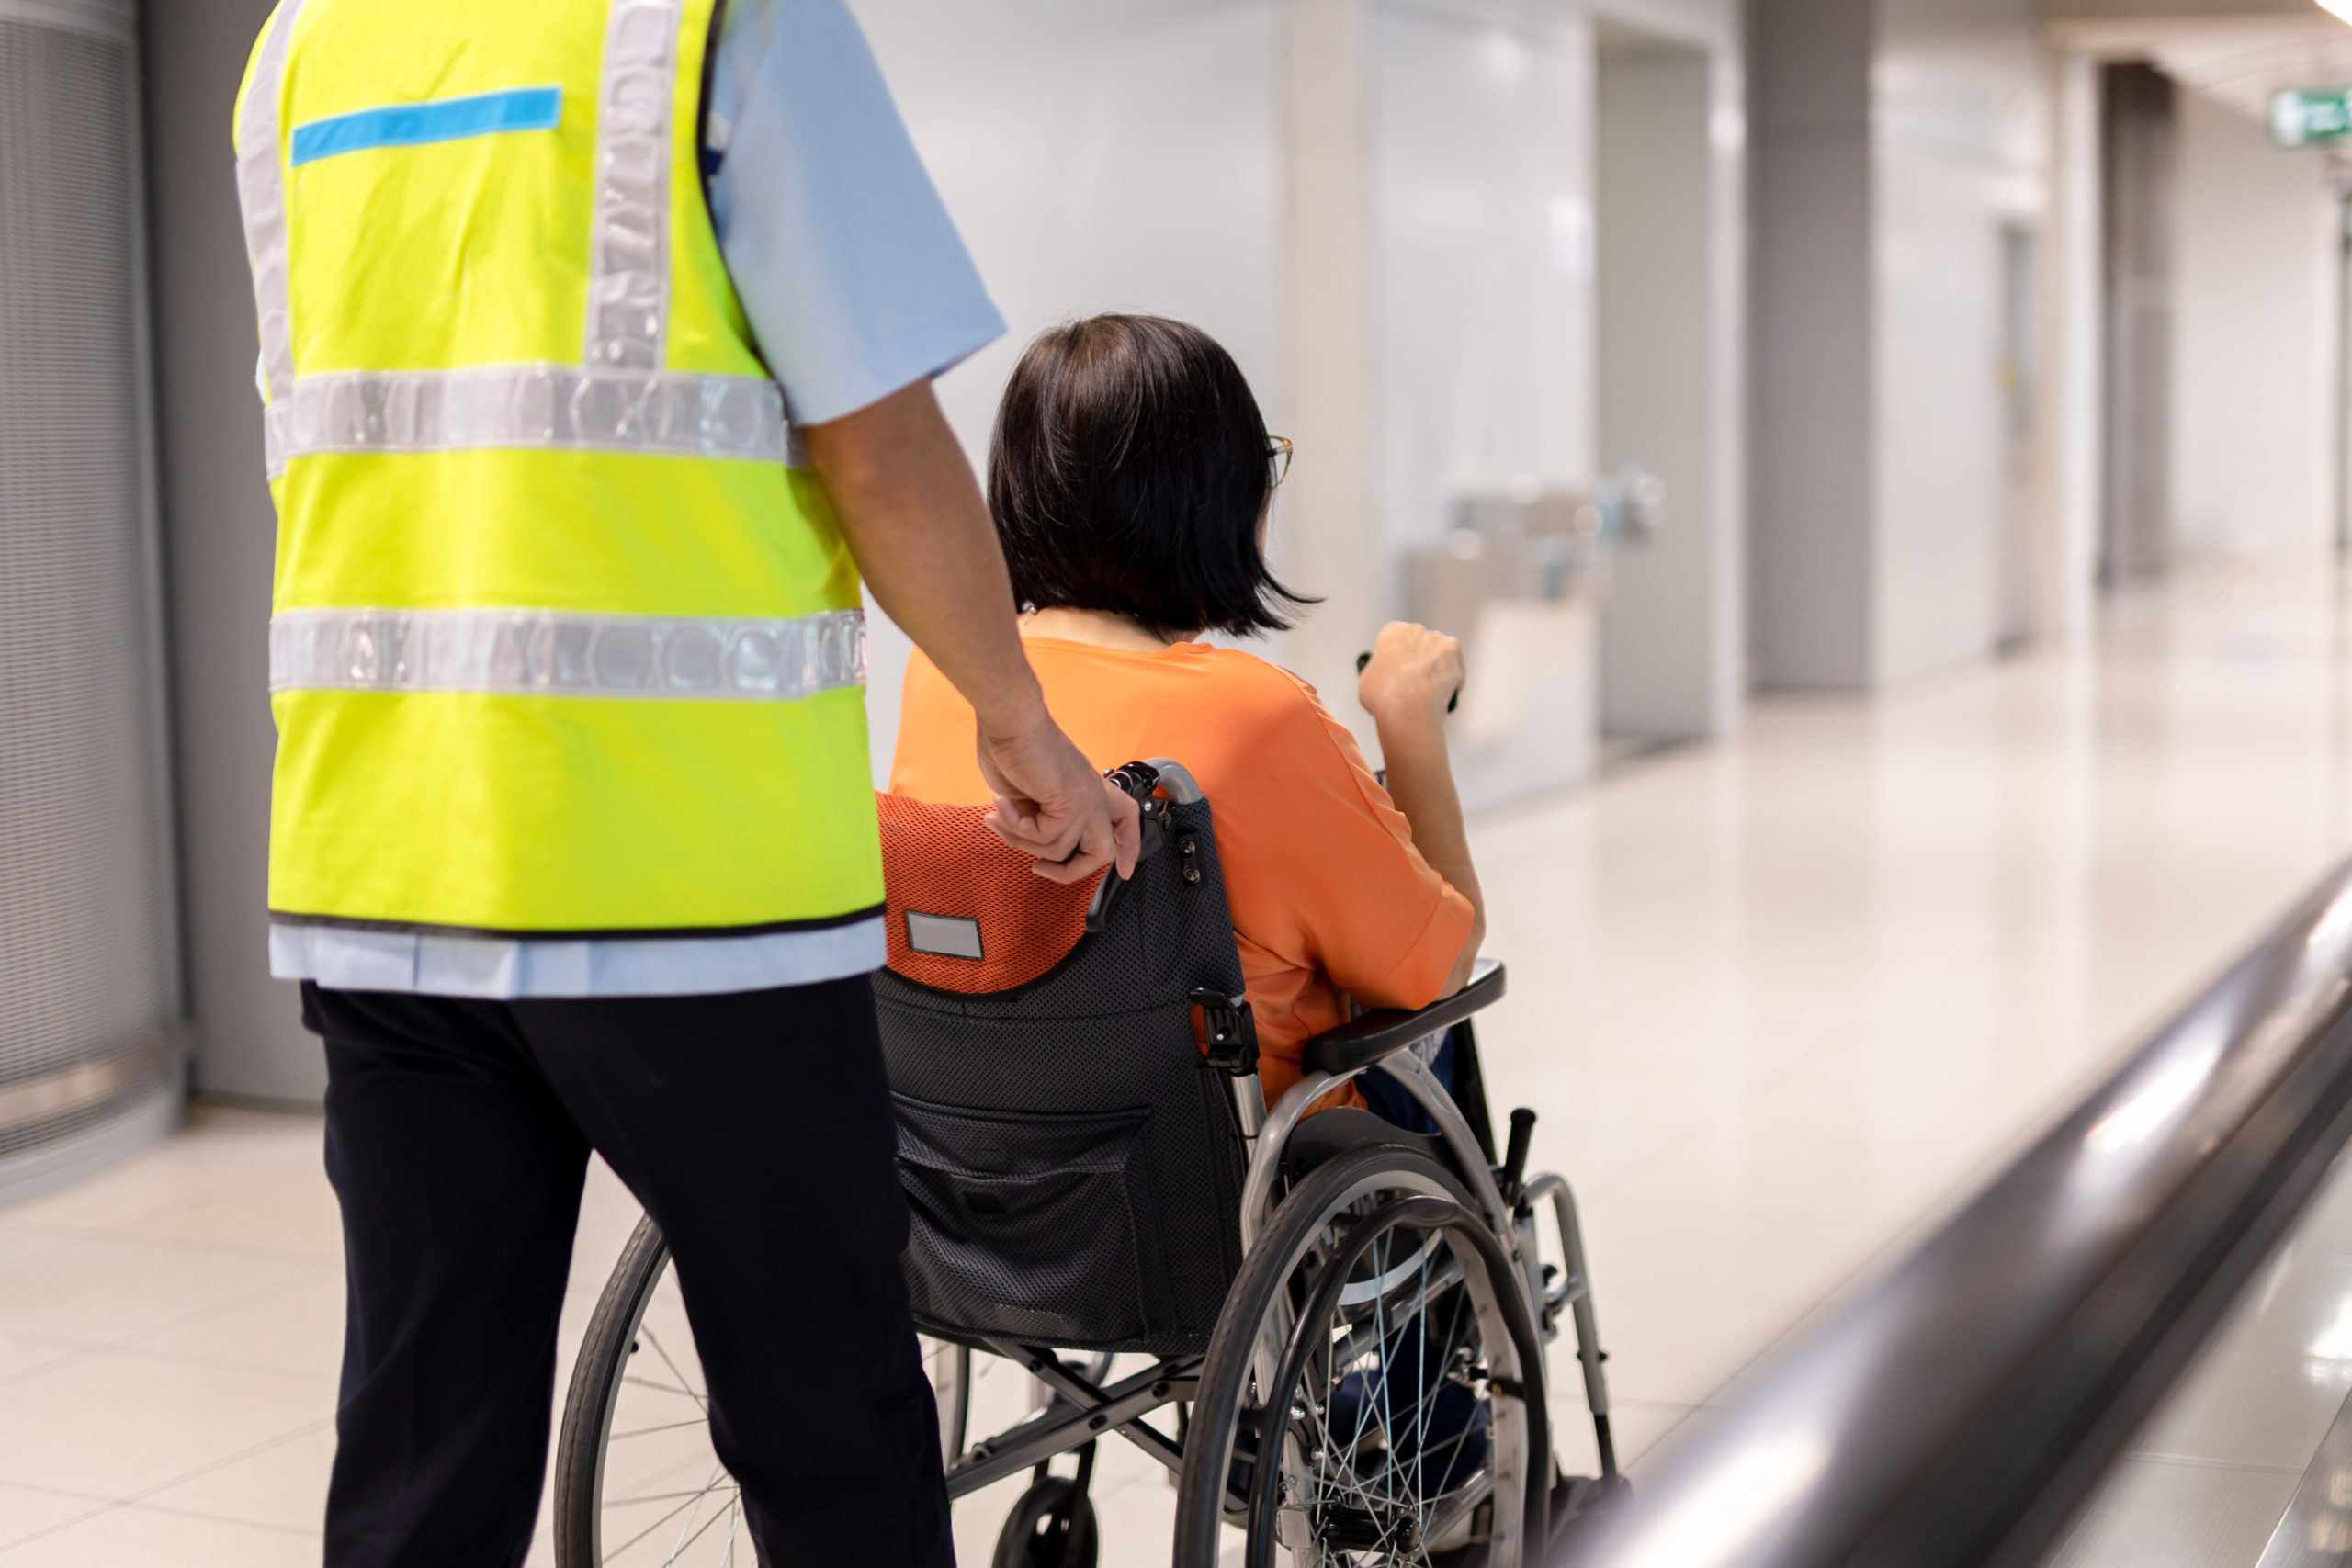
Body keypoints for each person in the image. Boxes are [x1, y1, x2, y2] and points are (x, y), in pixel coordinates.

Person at [231, 2, 1136, 1563]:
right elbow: (884, 450)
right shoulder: (719, 24)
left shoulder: (303, 47)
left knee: (420, 1451)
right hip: (683, 884)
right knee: (825, 1423)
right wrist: (1017, 716)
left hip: (382, 861)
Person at [890, 314, 1485, 1116]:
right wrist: (1410, 721)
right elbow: (1440, 968)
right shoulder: (1254, 715)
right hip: (1229, 1192)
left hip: (991, 1171)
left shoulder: (948, 674)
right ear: (1214, 497)